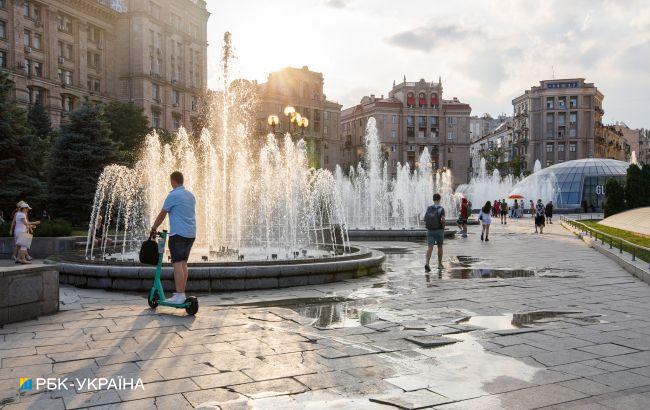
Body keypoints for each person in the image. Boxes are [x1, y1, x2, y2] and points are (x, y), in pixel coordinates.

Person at [150, 171, 197, 305]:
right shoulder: (190, 195)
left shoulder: (173, 195)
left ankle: (180, 295)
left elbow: (162, 214)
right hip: (191, 234)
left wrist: (153, 228)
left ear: (173, 181)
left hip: (178, 234)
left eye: (170, 181)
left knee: (177, 263)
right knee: (183, 263)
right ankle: (181, 293)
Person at [424, 193, 446, 272]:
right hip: (439, 230)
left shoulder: (429, 208)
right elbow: (443, 219)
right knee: (439, 246)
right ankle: (439, 264)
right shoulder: (441, 209)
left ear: (433, 200)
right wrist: (443, 227)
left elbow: (425, 219)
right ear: (439, 199)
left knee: (430, 247)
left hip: (430, 230)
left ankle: (427, 263)